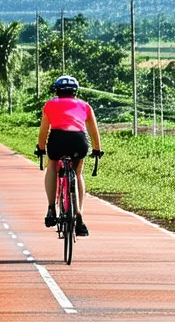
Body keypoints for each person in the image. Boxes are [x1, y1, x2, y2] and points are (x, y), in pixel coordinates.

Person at [35, 75, 102, 236]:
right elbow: (93, 131)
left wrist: (41, 148)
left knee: (52, 166)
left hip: (57, 139)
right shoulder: (85, 106)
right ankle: (79, 214)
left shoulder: (50, 104)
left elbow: (44, 131)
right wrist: (97, 149)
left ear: (57, 91)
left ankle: (51, 208)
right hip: (78, 140)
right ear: (75, 92)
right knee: (77, 174)